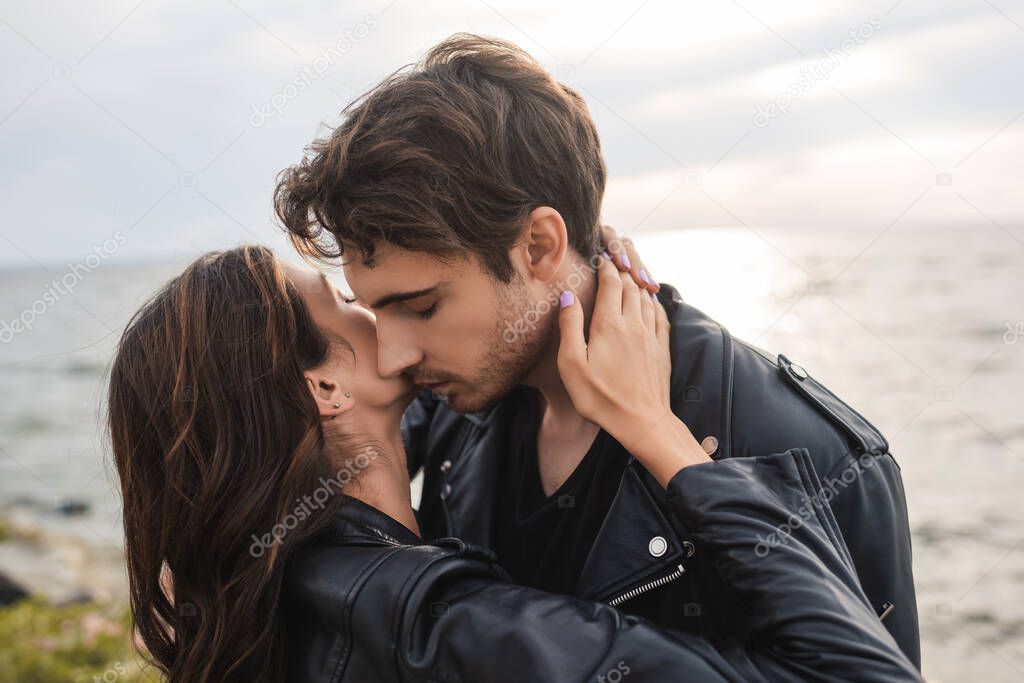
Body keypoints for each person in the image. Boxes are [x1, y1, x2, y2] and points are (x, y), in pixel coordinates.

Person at [275, 32, 920, 665]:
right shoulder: (454, 398)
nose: (393, 356)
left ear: (538, 247)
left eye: (421, 307)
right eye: (372, 310)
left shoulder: (819, 457)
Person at [107, 245, 917, 682]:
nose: (385, 325)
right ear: (323, 385)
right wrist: (657, 432)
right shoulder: (451, 633)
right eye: (350, 303)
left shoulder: (274, 585)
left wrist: (548, 283)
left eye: (413, 301)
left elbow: (410, 399)